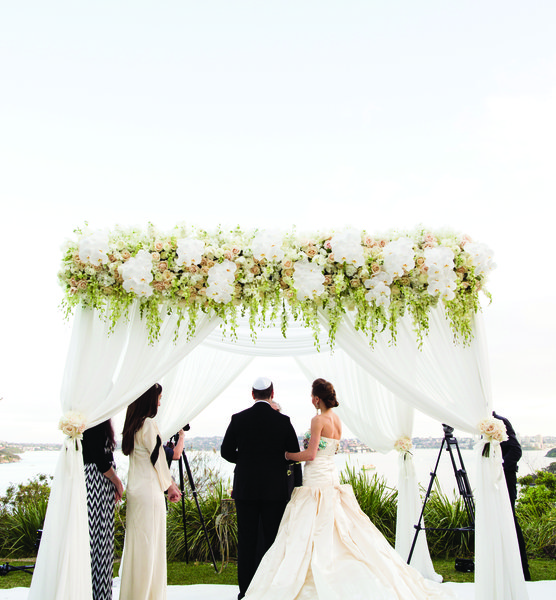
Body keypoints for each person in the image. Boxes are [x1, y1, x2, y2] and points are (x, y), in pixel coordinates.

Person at [244, 378, 456, 599]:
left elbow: (310, 454)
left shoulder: (318, 420)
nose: (310, 399)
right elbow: (330, 451)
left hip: (316, 477)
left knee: (309, 527)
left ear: (316, 398)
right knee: (334, 525)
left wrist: (286, 455)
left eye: (311, 396)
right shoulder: (336, 420)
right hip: (330, 475)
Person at [221, 377, 301, 600]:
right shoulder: (283, 421)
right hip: (274, 491)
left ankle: (245, 592)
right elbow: (293, 453)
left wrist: (245, 460)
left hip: (246, 490)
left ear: (253, 394)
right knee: (272, 541)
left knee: (246, 542)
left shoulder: (238, 419)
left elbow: (226, 452)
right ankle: (270, 591)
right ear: (272, 393)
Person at [119, 383, 182, 600]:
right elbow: (158, 459)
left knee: (137, 546)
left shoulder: (131, 426)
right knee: (150, 547)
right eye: (158, 398)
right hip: (149, 492)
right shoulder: (148, 424)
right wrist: (171, 487)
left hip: (135, 491)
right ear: (149, 399)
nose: (160, 402)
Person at [82, 419, 124, 600]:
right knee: (97, 540)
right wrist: (117, 482)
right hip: (96, 484)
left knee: (103, 540)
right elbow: (99, 459)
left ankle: (101, 591)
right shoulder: (93, 423)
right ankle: (95, 592)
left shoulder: (96, 422)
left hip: (102, 484)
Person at [493, 411, 531, 581]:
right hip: (492, 482)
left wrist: (499, 467)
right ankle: (500, 565)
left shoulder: (501, 421)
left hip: (505, 480)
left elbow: (516, 451)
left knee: (511, 521)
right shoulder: (480, 425)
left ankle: (522, 567)